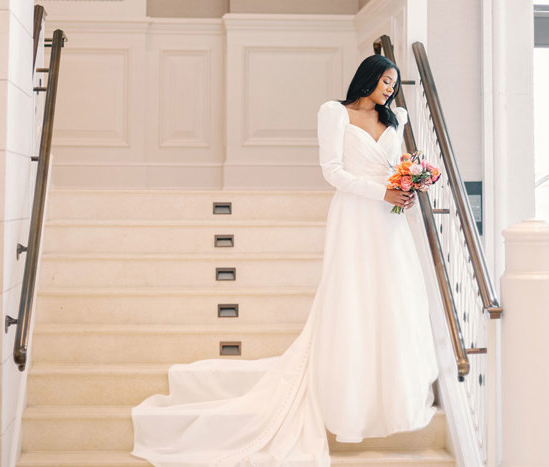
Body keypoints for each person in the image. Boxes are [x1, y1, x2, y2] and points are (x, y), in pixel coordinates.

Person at [130, 54, 440, 466]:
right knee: (352, 299)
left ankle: (391, 396)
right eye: (385, 80)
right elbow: (331, 171)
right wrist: (379, 192)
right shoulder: (334, 113)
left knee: (394, 298)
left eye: (394, 83)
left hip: (390, 221)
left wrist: (405, 185)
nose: (390, 88)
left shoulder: (396, 117)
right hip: (354, 216)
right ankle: (349, 399)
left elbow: (394, 166)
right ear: (367, 78)